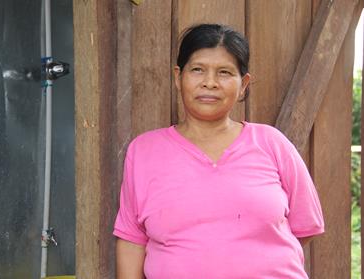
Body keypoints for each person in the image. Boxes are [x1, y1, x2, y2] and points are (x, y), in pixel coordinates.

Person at [113, 24, 325, 279]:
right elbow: (131, 240)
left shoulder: (271, 143)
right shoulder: (144, 151)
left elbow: (306, 227)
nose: (210, 83)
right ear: (178, 77)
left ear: (243, 84)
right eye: (198, 70)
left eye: (224, 72)